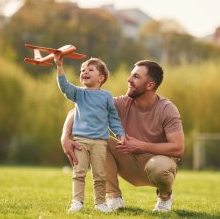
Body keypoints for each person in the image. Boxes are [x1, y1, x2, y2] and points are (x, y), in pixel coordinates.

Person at [61, 60, 184, 212]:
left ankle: (165, 197)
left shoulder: (167, 109)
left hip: (157, 165)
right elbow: (75, 112)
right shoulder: (121, 103)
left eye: (136, 77)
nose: (129, 80)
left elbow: (178, 148)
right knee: (100, 140)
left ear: (150, 85)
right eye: (131, 75)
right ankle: (114, 197)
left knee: (158, 167)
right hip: (128, 160)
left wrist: (141, 145)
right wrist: (65, 138)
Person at [54, 54, 125, 213]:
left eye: (90, 70)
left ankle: (100, 203)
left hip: (100, 142)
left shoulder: (106, 96)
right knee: (78, 173)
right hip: (80, 141)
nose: (84, 72)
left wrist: (120, 134)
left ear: (101, 78)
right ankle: (77, 202)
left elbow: (113, 118)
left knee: (100, 175)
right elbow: (65, 87)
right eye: (82, 70)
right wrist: (59, 66)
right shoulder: (79, 93)